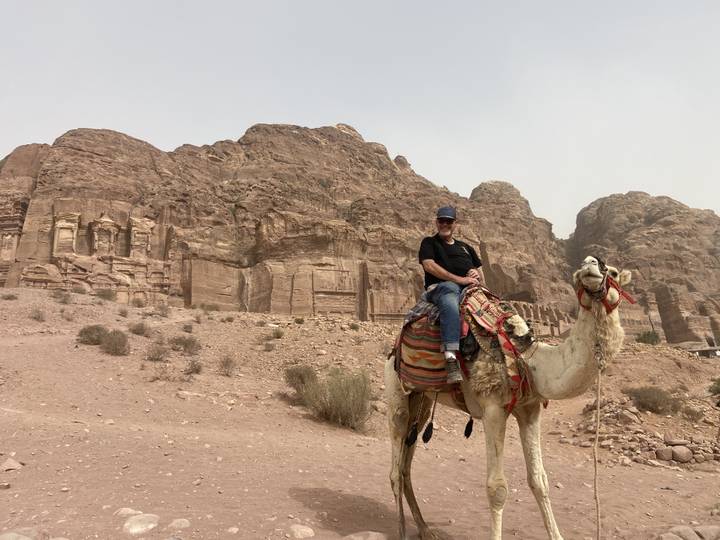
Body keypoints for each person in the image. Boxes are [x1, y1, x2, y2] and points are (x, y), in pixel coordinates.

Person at [418, 206, 484, 383]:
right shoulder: (429, 243)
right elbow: (429, 265)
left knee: (495, 306)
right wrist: (460, 280)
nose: (445, 224)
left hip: (468, 289)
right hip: (441, 288)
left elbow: (479, 274)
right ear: (436, 222)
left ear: (455, 224)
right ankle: (450, 356)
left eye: (449, 221)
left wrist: (475, 275)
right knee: (450, 290)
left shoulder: (466, 248)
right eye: (442, 221)